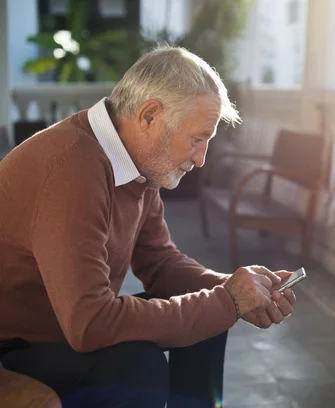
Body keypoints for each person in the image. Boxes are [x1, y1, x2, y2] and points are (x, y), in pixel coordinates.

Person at [0, 45, 297, 408]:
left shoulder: (134, 165)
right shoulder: (74, 168)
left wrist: (233, 288)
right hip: (15, 342)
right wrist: (226, 300)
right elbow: (90, 322)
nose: (201, 159)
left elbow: (159, 263)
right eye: (197, 139)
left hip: (59, 328)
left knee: (209, 321)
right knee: (137, 363)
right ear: (150, 116)